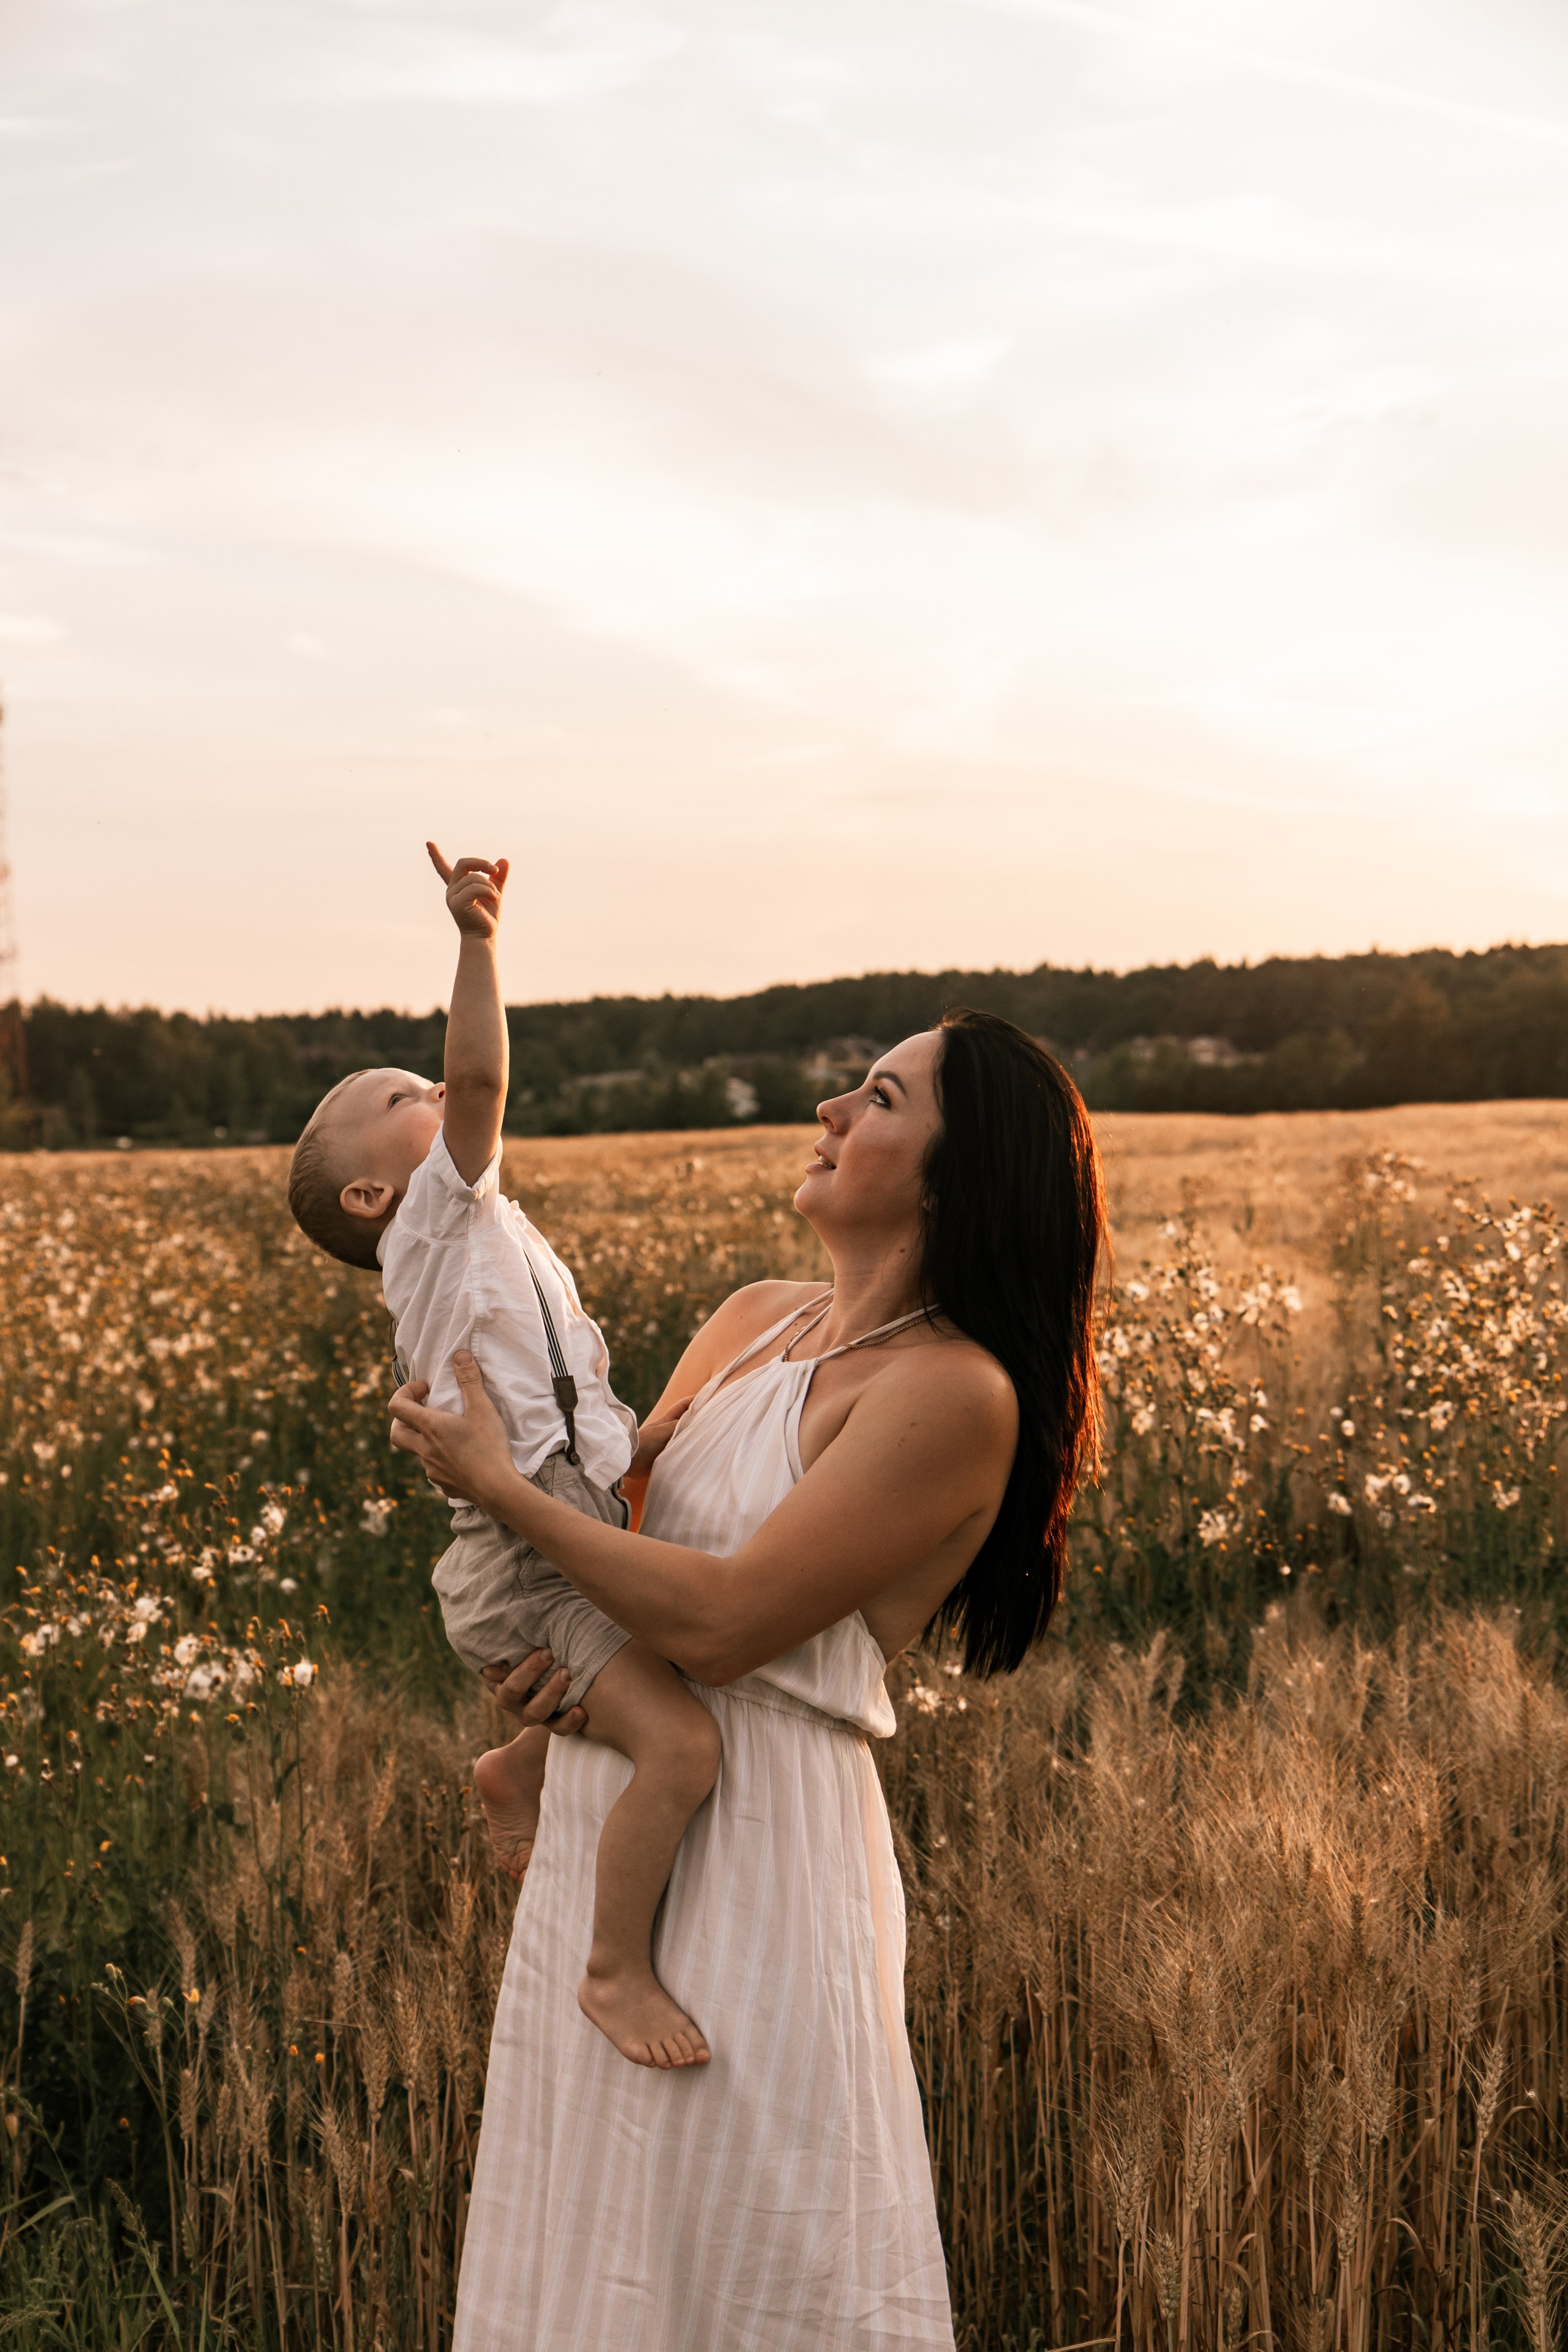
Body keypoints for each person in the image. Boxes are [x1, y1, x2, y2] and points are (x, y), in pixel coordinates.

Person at [389, 1008, 1106, 2351]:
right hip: (618, 1828)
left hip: (763, 1848)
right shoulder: (751, 1322)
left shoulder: (955, 1393)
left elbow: (720, 1629)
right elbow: (622, 1534)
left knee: (755, 2245)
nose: (830, 1109)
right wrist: (548, 1672)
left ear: (957, 1177)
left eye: (879, 1097)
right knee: (596, 2236)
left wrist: (492, 1485)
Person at [287, 844, 720, 2070]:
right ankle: (613, 1966)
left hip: (556, 1529)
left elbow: (543, 1379)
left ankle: (515, 1768)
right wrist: (475, 938)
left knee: (660, 1691)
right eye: (404, 1094)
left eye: (417, 1077)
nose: (438, 1085)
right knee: (682, 1749)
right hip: (528, 1570)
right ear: (379, 1195)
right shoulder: (434, 1220)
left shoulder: (480, 1225)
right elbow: (479, 1070)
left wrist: (636, 1444)